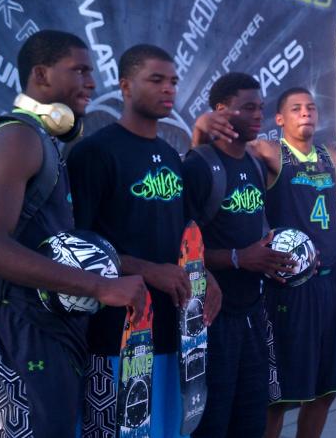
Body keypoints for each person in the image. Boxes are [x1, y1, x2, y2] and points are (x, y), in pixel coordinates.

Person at [0, 30, 147, 437]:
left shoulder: (43, 142)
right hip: (17, 329)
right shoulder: (19, 137)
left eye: (91, 71)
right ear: (42, 75)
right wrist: (99, 286)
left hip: (43, 330)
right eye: (79, 70)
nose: (92, 82)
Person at [67, 44, 222, 437]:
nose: (168, 88)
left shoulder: (170, 156)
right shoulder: (92, 153)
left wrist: (204, 276)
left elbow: (182, 234)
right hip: (115, 333)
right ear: (125, 86)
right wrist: (147, 270)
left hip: (174, 330)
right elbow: (74, 248)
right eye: (156, 79)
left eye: (172, 81)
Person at [194, 87, 336, 438]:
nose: (306, 113)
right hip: (289, 286)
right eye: (296, 109)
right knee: (280, 395)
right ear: (280, 119)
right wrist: (203, 128)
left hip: (331, 284)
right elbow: (218, 153)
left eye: (311, 107)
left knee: (327, 389)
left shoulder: (330, 153)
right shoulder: (269, 152)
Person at [182, 72, 296, 438]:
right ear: (220, 111)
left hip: (252, 313)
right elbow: (180, 247)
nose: (257, 115)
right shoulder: (199, 166)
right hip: (212, 320)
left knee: (250, 422)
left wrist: (273, 259)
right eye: (248, 107)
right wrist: (237, 258)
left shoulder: (254, 165)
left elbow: (254, 236)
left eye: (260, 108)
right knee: (211, 424)